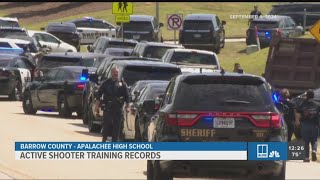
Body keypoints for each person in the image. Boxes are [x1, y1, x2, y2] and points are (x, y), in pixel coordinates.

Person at [95, 66, 130, 142]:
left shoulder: (122, 84)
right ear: (111, 73)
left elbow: (127, 97)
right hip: (108, 108)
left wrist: (127, 107)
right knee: (106, 126)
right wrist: (97, 106)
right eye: (114, 72)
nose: (116, 74)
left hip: (118, 108)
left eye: (117, 72)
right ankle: (104, 140)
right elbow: (98, 94)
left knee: (117, 127)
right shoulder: (106, 83)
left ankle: (114, 142)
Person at [295, 89, 320, 162]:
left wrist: (297, 121)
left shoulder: (302, 103)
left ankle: (306, 157)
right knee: (314, 140)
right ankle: (314, 151)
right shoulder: (318, 104)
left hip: (305, 124)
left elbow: (297, 112)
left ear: (306, 95)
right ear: (313, 96)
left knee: (305, 141)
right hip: (315, 125)